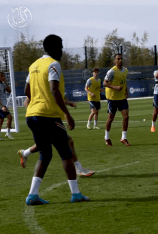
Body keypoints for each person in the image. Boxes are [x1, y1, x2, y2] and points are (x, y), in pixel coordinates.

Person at [24, 34, 89, 205]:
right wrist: (67, 114)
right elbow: (54, 89)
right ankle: (76, 194)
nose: (61, 50)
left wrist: (36, 102)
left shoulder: (33, 65)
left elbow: (27, 91)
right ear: (53, 48)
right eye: (60, 47)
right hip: (49, 116)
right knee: (66, 153)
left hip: (32, 116)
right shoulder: (54, 64)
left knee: (45, 155)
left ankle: (32, 195)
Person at [18, 96, 95, 177]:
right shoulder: (38, 86)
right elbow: (26, 101)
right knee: (67, 141)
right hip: (41, 118)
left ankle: (25, 153)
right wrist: (33, 114)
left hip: (48, 117)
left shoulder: (48, 86)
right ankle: (79, 169)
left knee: (48, 142)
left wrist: (67, 103)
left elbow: (53, 98)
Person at [103, 54, 130, 146]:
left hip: (122, 98)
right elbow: (105, 83)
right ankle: (106, 138)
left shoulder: (125, 70)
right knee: (110, 118)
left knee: (126, 116)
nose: (120, 60)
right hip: (112, 98)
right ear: (115, 61)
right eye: (118, 59)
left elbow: (124, 81)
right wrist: (115, 87)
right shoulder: (111, 71)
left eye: (121, 58)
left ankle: (124, 138)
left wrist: (126, 91)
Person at [0, 72, 13, 140]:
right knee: (1, 120)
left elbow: (9, 91)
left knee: (9, 117)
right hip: (1, 105)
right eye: (2, 76)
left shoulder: (2, 84)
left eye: (4, 76)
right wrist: (2, 106)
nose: (3, 77)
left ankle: (8, 132)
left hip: (3, 105)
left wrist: (5, 82)